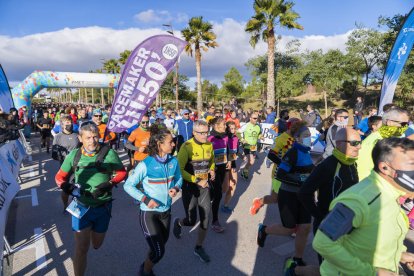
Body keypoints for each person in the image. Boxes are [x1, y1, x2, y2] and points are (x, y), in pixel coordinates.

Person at [313, 137, 414, 275]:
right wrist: (372, 273)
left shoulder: (392, 194)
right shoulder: (358, 199)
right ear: (385, 168)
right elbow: (323, 243)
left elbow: (374, 238)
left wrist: (399, 255)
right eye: (412, 163)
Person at [55, 122, 126, 276]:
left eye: (95, 137)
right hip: (81, 207)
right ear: (80, 138)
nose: (92, 141)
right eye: (88, 138)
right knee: (81, 248)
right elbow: (59, 177)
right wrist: (65, 186)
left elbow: (121, 172)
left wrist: (111, 183)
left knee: (97, 245)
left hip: (103, 206)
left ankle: (94, 233)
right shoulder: (74, 155)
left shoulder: (109, 153)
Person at [124, 125, 182, 276]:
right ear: (159, 144)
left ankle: (146, 266)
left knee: (159, 246)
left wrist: (176, 188)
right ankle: (145, 271)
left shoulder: (173, 161)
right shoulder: (146, 164)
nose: (174, 144)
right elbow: (128, 185)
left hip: (166, 211)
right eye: (171, 142)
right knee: (159, 251)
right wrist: (145, 199)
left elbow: (179, 178)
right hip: (149, 213)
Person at [257, 121, 314, 274]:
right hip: (289, 194)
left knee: (305, 227)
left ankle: (297, 259)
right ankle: (264, 230)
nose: (309, 137)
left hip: (303, 195)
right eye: (306, 135)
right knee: (289, 229)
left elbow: (308, 171)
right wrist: (300, 179)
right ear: (297, 138)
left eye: (309, 135)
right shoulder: (293, 153)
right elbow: (281, 175)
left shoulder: (306, 151)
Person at [298, 128, 360, 264]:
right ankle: (294, 270)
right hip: (328, 226)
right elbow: (304, 192)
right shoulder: (328, 165)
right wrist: (320, 215)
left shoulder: (351, 163)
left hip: (348, 224)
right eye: (354, 143)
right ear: (339, 143)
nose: (359, 147)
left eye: (360, 143)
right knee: (328, 267)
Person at [173, 120, 215, 263]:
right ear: (194, 132)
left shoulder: (209, 144)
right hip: (190, 187)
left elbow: (212, 161)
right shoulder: (186, 146)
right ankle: (179, 223)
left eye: (206, 132)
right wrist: (196, 180)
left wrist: (212, 169)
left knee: (205, 218)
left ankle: (198, 247)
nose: (205, 135)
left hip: (204, 187)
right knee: (191, 221)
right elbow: (179, 170)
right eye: (201, 133)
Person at [250, 118, 299, 215]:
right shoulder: (281, 138)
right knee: (274, 198)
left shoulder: (296, 138)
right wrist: (284, 166)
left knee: (291, 195)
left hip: (291, 173)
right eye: (297, 127)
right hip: (279, 173)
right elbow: (271, 155)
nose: (299, 130)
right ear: (290, 126)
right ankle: (258, 202)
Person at [357, 107, 410, 180]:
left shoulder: (387, 137)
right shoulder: (377, 140)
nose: (406, 127)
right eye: (403, 124)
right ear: (389, 122)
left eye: (408, 124)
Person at [52, 115, 80, 211]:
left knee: (78, 186)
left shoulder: (77, 135)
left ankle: (77, 205)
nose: (70, 124)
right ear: (62, 124)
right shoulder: (58, 137)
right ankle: (65, 205)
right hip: (65, 166)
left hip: (78, 165)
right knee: (66, 189)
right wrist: (62, 156)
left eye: (71, 122)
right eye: (67, 122)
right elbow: (54, 154)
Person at [207, 118, 229, 233]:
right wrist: (211, 167)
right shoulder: (210, 138)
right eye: (224, 124)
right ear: (216, 126)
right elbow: (206, 155)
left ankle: (208, 204)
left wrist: (229, 161)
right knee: (218, 194)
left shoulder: (225, 136)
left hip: (222, 168)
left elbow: (227, 150)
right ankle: (215, 221)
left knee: (215, 194)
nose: (226, 126)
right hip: (212, 170)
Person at [238, 111, 262, 180]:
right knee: (251, 161)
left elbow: (259, 134)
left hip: (254, 146)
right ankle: (244, 171)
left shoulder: (258, 126)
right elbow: (237, 132)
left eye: (257, 118)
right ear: (250, 118)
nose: (256, 120)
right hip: (247, 146)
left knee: (251, 162)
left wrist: (261, 136)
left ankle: (244, 171)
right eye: (254, 118)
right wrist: (242, 139)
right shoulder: (246, 125)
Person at [222, 121, 239, 213]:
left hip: (233, 164)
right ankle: (211, 201)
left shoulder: (236, 138)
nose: (233, 130)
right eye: (230, 128)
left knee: (233, 184)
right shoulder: (224, 138)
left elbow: (236, 152)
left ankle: (225, 205)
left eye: (234, 128)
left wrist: (243, 156)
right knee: (224, 188)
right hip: (224, 165)